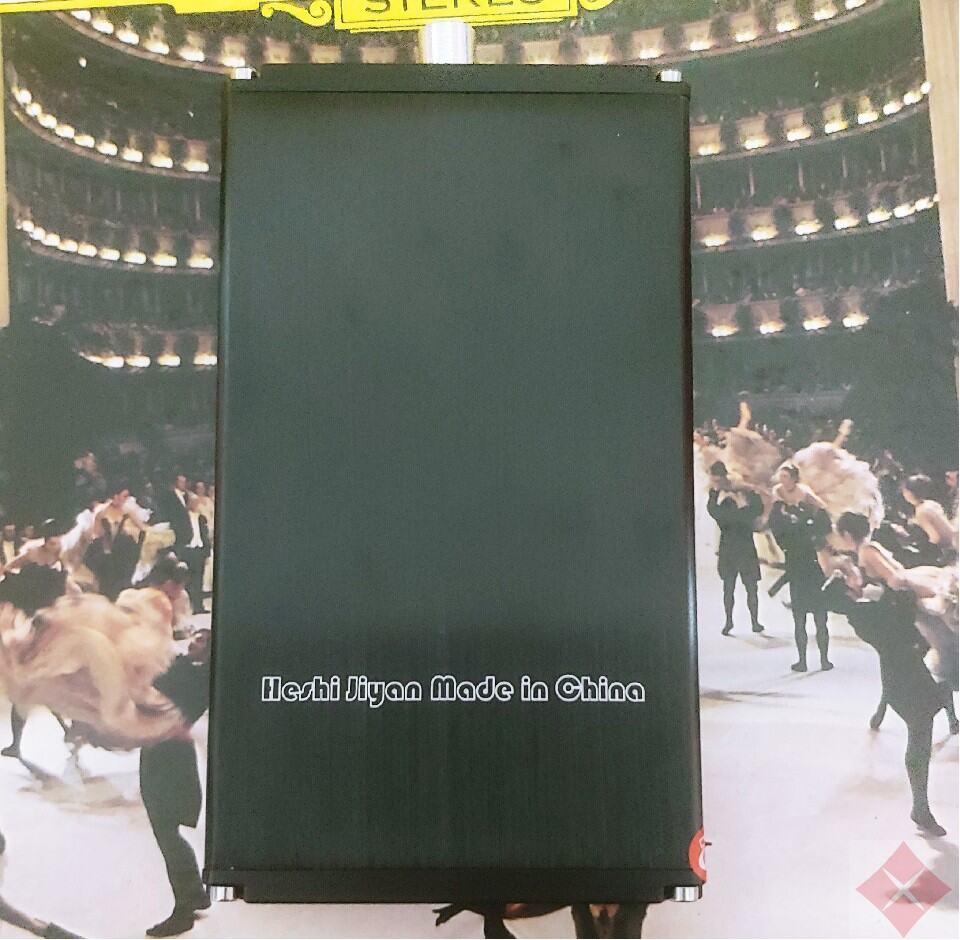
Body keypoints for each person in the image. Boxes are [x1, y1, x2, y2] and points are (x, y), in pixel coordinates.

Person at [823, 570, 948, 836]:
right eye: (849, 578)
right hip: (908, 679)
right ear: (848, 591)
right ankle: (920, 808)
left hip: (901, 676)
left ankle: (921, 806)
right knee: (920, 738)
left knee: (922, 729)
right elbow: (906, 617)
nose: (855, 574)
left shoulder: (863, 613)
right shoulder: (869, 612)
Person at [836, 512, 958, 735]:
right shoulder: (871, 547)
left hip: (900, 615)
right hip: (899, 611)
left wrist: (872, 593)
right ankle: (944, 712)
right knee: (908, 664)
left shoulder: (866, 552)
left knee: (904, 664)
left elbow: (895, 578)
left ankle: (917, 708)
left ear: (846, 535)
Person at [140, 629, 212, 937]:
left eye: (202, 640)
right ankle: (194, 893)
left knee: (166, 831)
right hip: (163, 751)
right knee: (167, 830)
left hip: (169, 757)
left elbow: (155, 688)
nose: (193, 641)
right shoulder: (188, 670)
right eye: (194, 636)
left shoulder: (195, 679)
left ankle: (184, 909)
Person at [769, 474, 834, 672]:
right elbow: (825, 520)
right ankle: (824, 661)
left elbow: (774, 523)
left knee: (800, 622)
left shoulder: (786, 534)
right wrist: (814, 504)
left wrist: (778, 504)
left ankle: (802, 661)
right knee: (821, 621)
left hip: (797, 578)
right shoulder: (811, 528)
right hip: (814, 574)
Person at [706, 461, 765, 635]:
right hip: (746, 550)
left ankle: (729, 622)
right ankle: (755, 622)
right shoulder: (744, 514)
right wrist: (749, 492)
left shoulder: (722, 516)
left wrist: (715, 492)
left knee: (728, 589)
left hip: (728, 552)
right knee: (751, 589)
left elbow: (711, 508)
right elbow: (758, 508)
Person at [84, 482, 149, 601]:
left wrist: (137, 541)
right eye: (124, 496)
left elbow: (142, 528)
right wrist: (104, 547)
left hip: (120, 550)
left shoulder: (126, 510)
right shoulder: (101, 511)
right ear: (115, 496)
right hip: (104, 550)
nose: (126, 499)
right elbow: (95, 534)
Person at [901, 474, 957, 562]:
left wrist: (924, 555)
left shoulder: (921, 512)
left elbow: (935, 537)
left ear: (909, 493)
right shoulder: (931, 503)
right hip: (955, 539)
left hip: (947, 550)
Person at [180, 495, 211, 615]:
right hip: (188, 550)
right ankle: (187, 606)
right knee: (187, 579)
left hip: (199, 550)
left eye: (196, 502)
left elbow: (205, 535)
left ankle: (198, 606)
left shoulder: (201, 518)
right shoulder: (182, 517)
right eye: (193, 502)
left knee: (198, 580)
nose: (195, 504)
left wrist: (206, 552)